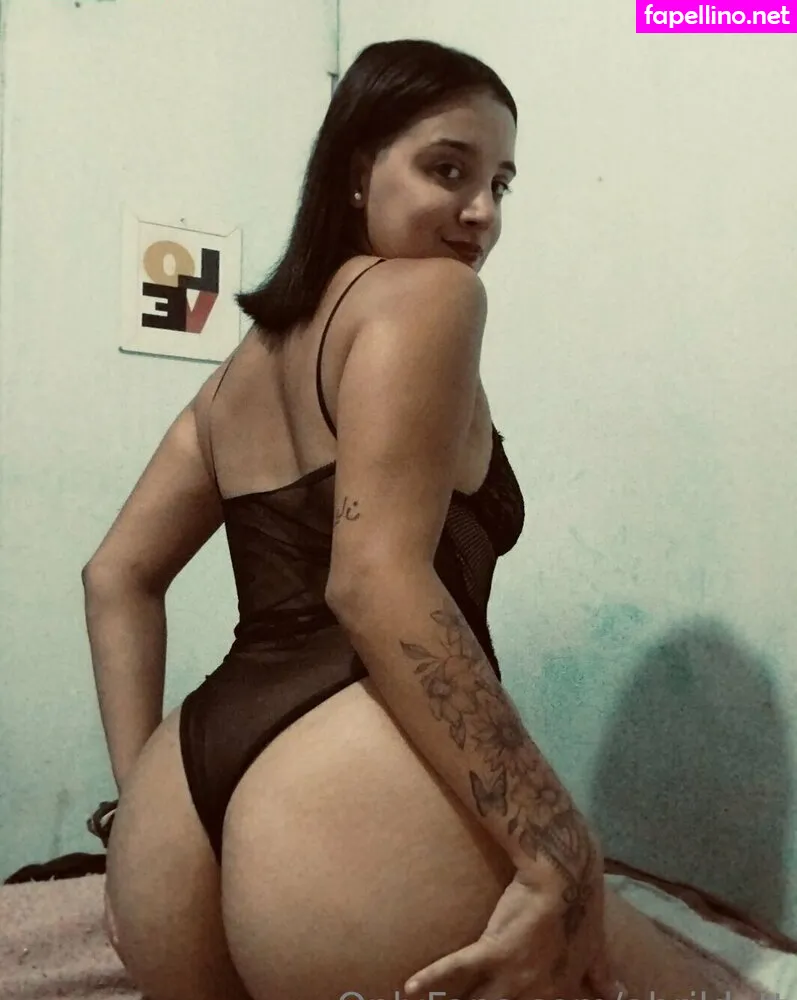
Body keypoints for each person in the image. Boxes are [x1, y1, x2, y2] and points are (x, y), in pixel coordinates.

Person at [82, 38, 761, 1000]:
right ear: (358, 169)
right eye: (448, 170)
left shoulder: (238, 375)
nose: (481, 211)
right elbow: (373, 578)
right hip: (347, 787)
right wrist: (556, 848)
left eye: (500, 184)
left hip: (179, 811)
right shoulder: (431, 296)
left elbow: (114, 576)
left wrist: (131, 825)